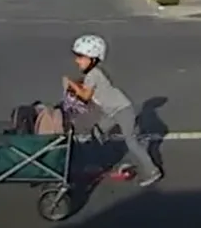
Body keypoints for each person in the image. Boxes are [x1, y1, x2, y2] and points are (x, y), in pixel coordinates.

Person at [63, 34, 162, 187]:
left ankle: (152, 170)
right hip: (113, 112)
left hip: (122, 111)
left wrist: (71, 83)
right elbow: (87, 87)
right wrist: (76, 85)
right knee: (97, 133)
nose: (77, 60)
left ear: (93, 59)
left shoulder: (93, 75)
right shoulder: (94, 73)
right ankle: (102, 164)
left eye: (81, 57)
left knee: (131, 141)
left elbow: (85, 96)